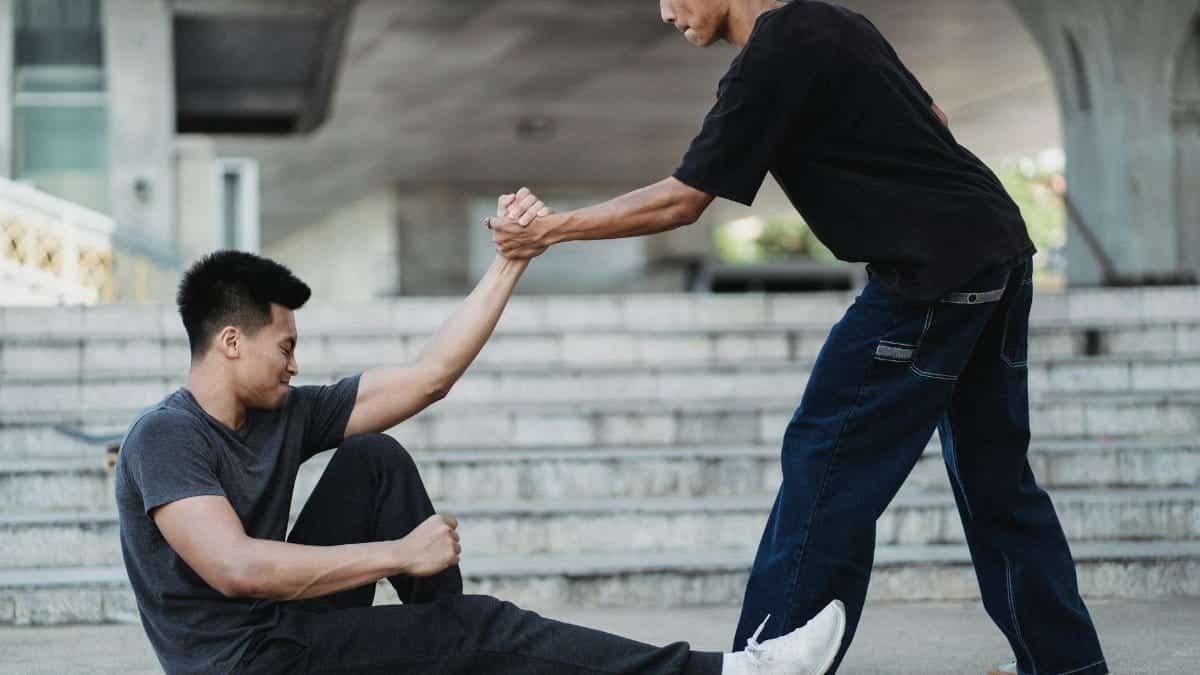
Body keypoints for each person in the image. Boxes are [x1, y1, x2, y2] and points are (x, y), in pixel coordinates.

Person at [489, 1, 1107, 674]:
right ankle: (1066, 664)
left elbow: (683, 199)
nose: (664, 12)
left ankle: (768, 661)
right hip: (997, 249)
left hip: (931, 275)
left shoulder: (772, 53)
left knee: (826, 458)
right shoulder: (832, 21)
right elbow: (936, 122)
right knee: (999, 485)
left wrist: (550, 230)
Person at [114, 191, 847, 675]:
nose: (295, 362)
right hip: (242, 663)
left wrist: (510, 262)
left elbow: (430, 374)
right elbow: (235, 567)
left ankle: (454, 642)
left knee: (374, 458)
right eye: (286, 346)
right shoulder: (166, 437)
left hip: (282, 630)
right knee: (482, 627)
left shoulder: (283, 412)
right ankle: (732, 672)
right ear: (232, 342)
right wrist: (398, 553)